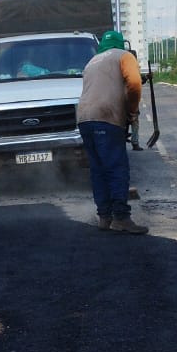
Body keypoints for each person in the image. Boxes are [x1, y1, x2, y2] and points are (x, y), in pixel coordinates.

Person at [76, 30, 147, 235]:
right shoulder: (125, 56)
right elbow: (134, 83)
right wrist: (132, 110)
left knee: (98, 169)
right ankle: (121, 218)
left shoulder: (92, 62)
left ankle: (104, 217)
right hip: (106, 116)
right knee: (116, 167)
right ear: (120, 43)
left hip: (84, 118)